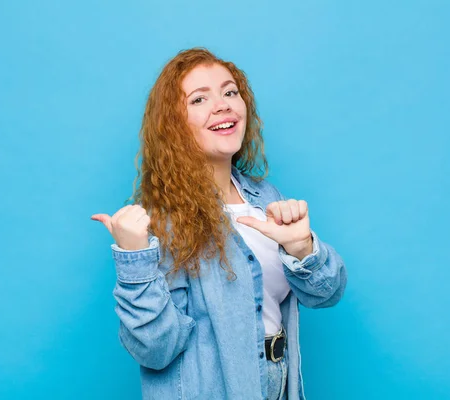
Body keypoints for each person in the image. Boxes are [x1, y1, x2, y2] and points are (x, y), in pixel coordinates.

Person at [91, 47, 347, 400]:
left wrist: (302, 248)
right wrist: (134, 259)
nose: (223, 104)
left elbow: (327, 294)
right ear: (174, 125)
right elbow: (155, 349)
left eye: (230, 92)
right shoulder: (161, 220)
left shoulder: (267, 198)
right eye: (199, 99)